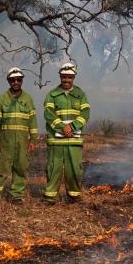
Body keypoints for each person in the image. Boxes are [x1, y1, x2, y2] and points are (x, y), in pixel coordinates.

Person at [0, 67, 38, 204]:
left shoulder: (28, 99)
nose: (16, 82)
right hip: (5, 142)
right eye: (13, 80)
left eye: (18, 80)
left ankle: (17, 196)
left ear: (22, 81)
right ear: (9, 81)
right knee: (2, 169)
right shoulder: (2, 99)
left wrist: (33, 139)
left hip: (22, 142)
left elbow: (32, 121)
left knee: (20, 168)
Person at [43, 61, 90, 204]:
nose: (66, 80)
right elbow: (48, 113)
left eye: (69, 77)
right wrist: (61, 127)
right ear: (60, 77)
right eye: (64, 77)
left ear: (73, 78)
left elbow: (85, 113)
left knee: (74, 169)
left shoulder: (80, 94)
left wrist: (73, 126)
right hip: (56, 139)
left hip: (74, 140)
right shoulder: (52, 94)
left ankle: (74, 196)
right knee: (54, 168)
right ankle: (50, 197)